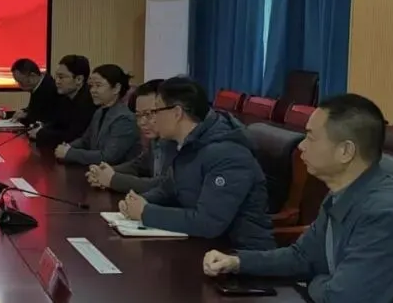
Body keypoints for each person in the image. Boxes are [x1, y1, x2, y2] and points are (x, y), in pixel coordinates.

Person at [204, 94, 393, 303]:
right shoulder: (343, 193)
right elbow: (302, 257)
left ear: (345, 151)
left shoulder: (386, 214)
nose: (302, 146)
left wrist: (314, 280)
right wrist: (238, 262)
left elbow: (344, 302)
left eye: (311, 137)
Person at [119, 76, 274, 250]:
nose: (152, 120)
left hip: (240, 254)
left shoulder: (228, 154)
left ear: (177, 113)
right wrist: (140, 201)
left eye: (156, 111)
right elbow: (168, 190)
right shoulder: (183, 144)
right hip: (201, 247)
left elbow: (208, 223)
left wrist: (146, 212)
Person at [88, 79, 175, 194]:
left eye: (148, 114)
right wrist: (104, 171)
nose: (142, 122)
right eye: (138, 115)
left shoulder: (179, 143)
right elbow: (138, 166)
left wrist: (112, 179)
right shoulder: (156, 140)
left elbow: (163, 185)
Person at [55, 64, 141, 166]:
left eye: (98, 85)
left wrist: (69, 153)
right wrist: (67, 147)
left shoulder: (125, 119)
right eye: (91, 86)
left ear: (116, 88)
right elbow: (85, 141)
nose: (92, 90)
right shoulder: (99, 112)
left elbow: (108, 157)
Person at [29, 55, 96, 149]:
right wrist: (41, 128)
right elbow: (57, 123)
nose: (57, 81)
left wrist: (41, 134)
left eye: (61, 77)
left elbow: (73, 136)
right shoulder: (65, 98)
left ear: (79, 79)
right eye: (56, 76)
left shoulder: (89, 102)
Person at [10, 58, 60, 127]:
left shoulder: (49, 89)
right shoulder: (40, 85)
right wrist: (24, 111)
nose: (19, 86)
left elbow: (46, 118)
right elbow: (33, 109)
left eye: (20, 82)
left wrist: (27, 115)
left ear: (32, 76)